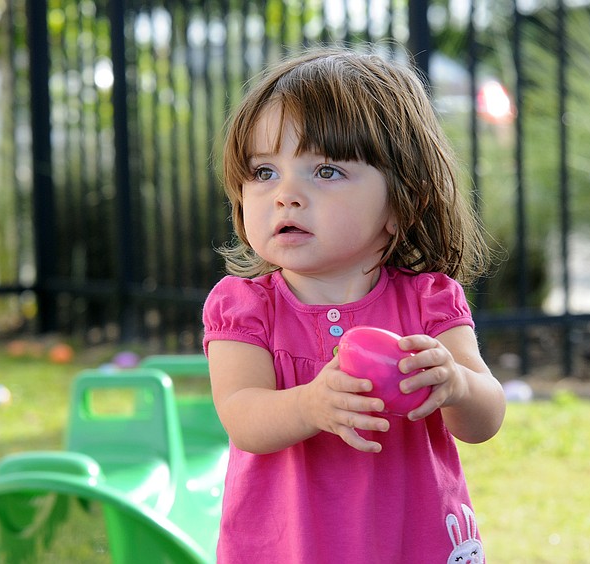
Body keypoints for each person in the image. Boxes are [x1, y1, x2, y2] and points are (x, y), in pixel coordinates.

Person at [202, 47, 506, 563]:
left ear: (401, 202)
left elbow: (484, 419)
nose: (286, 195)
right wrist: (309, 403)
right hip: (290, 548)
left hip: (417, 543)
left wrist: (456, 384)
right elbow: (241, 417)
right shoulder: (245, 307)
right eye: (264, 172)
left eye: (325, 172)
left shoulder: (428, 302)